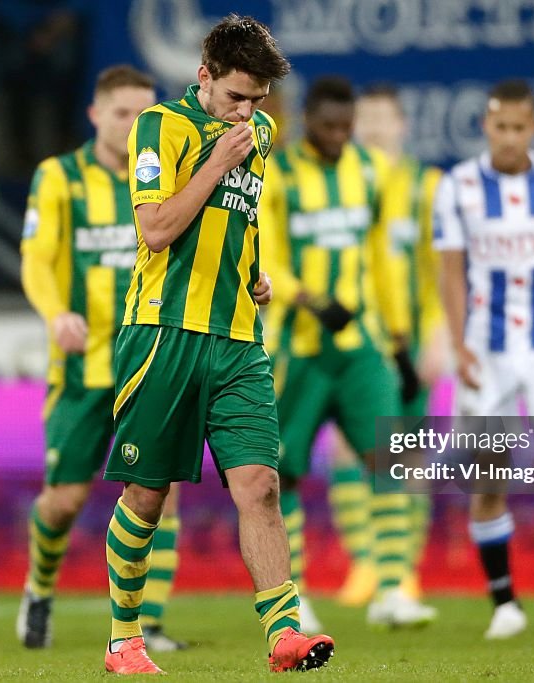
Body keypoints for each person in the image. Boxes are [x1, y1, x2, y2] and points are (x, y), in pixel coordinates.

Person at [100, 15, 334, 675]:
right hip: (162, 334)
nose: (248, 112)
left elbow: (239, 217)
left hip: (237, 339)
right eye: (236, 97)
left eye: (257, 101)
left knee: (259, 482)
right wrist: (216, 160)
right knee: (145, 496)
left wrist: (251, 271)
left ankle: (284, 634)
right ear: (203, 76)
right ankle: (124, 639)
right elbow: (156, 228)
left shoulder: (256, 134)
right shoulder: (159, 127)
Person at [16, 65, 185, 652]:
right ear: (95, 115)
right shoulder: (60, 177)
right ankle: (39, 588)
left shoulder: (170, 178)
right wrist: (54, 312)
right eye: (122, 113)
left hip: (155, 358)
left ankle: (151, 626)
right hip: (84, 368)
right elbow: (37, 258)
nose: (134, 125)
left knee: (158, 489)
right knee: (63, 502)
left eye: (145, 114)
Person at [259, 76, 436, 630]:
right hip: (299, 347)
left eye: (346, 126)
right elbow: (263, 253)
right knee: (282, 475)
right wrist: (305, 299)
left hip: (362, 349)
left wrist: (402, 341)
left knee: (388, 462)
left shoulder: (371, 173)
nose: (339, 136)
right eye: (329, 126)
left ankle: (392, 589)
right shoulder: (279, 176)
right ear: (308, 121)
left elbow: (386, 260)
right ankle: (296, 595)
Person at [433, 79, 534, 639]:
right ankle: (504, 602)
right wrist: (459, 344)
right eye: (499, 127)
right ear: (486, 126)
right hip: (486, 344)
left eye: (518, 127)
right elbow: (451, 271)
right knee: (488, 478)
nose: (508, 137)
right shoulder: (457, 186)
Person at [324, 84, 447, 608]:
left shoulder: (428, 187)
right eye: (365, 118)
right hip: (356, 339)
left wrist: (442, 333)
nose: (373, 128)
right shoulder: (342, 180)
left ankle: (404, 571)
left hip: (412, 338)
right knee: (348, 447)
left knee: (407, 455)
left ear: (403, 126)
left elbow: (445, 267)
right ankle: (367, 564)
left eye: (383, 118)